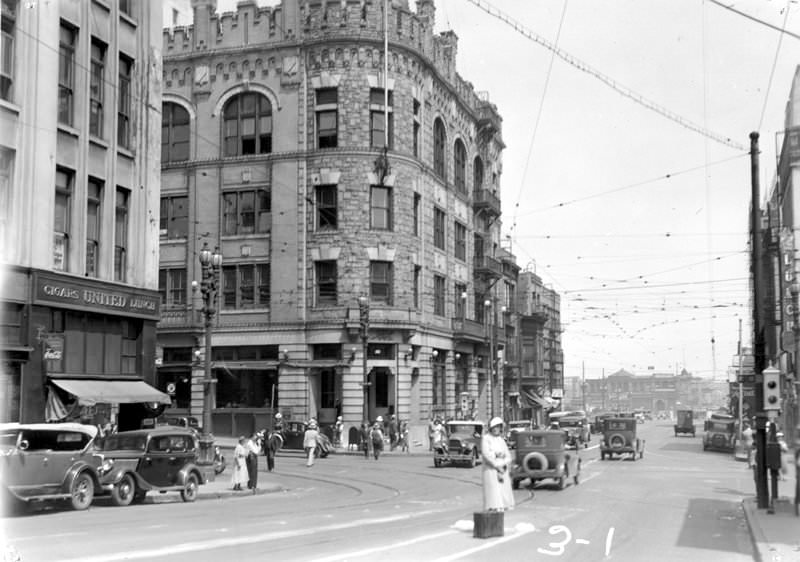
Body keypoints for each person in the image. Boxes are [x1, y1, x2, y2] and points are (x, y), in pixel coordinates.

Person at [480, 417, 515, 512]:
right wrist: (496, 464)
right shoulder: (486, 439)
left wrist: (503, 463)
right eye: (494, 427)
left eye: (498, 427)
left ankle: (503, 506)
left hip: (502, 469)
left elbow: (508, 456)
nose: (496, 429)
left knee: (503, 491)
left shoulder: (501, 440)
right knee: (493, 491)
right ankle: (493, 507)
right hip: (491, 469)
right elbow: (486, 454)